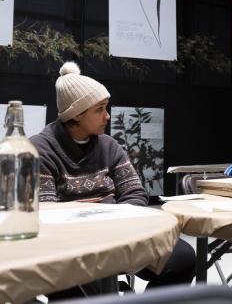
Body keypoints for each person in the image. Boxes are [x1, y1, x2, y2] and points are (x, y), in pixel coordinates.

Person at [31, 62, 196, 299]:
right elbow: (46, 212)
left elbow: (136, 193)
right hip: (70, 246)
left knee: (183, 258)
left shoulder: (108, 146)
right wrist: (102, 214)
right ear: (76, 113)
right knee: (73, 280)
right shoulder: (41, 149)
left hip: (120, 234)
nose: (107, 115)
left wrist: (108, 218)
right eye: (99, 109)